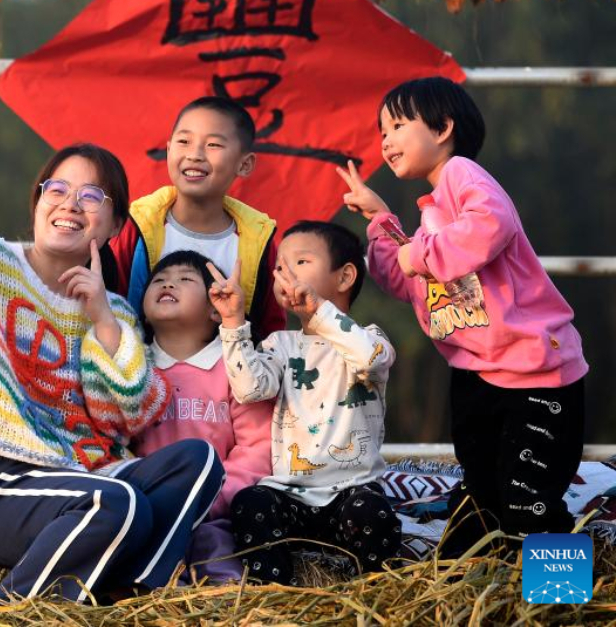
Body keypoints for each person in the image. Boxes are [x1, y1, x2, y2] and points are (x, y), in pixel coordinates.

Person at [0, 115, 225, 602]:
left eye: (91, 197)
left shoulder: (115, 314)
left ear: (114, 225)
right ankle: (4, 611)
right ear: (39, 201)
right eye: (57, 189)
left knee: (198, 461)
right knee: (115, 503)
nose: (70, 204)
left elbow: (127, 417)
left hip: (82, 478)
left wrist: (103, 320)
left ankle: (130, 596)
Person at [338, 76, 588, 555]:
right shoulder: (432, 216)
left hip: (536, 374)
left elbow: (490, 224)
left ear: (443, 127)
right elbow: (399, 275)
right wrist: (380, 217)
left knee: (529, 500)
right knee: (483, 496)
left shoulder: (462, 176)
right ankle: (485, 592)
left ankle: (562, 601)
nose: (385, 139)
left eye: (397, 124)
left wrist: (416, 255)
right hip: (476, 375)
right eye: (380, 130)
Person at [215, 221, 400, 585]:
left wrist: (320, 311)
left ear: (345, 276)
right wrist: (233, 321)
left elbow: (368, 359)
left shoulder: (370, 339)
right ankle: (275, 594)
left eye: (300, 262)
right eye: (280, 267)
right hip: (290, 494)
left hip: (353, 491)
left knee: (372, 513)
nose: (285, 274)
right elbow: (250, 389)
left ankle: (375, 590)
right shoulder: (280, 344)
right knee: (251, 504)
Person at [131, 250, 274, 584]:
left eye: (185, 279)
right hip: (147, 513)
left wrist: (215, 496)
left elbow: (257, 446)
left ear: (214, 309)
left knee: (220, 568)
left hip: (212, 514)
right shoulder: (133, 367)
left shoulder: (236, 368)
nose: (169, 283)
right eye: (159, 280)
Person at [108, 96, 285, 343]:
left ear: (245, 164)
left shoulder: (258, 243)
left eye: (213, 145)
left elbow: (270, 333)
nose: (195, 154)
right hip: (141, 373)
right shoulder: (138, 226)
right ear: (169, 150)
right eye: (184, 141)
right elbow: (110, 304)